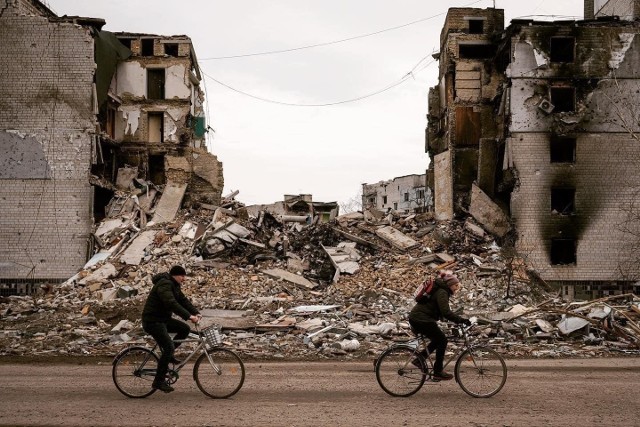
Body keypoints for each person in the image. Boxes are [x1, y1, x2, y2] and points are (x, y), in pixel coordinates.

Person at [142, 265, 201, 393]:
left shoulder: (174, 285)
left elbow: (183, 301)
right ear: (175, 275)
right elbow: (171, 303)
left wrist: (195, 312)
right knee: (168, 346)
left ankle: (169, 355)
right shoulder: (165, 284)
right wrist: (189, 316)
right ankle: (158, 381)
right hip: (153, 321)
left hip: (162, 319)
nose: (184, 279)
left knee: (184, 329)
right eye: (182, 276)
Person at [408, 271, 471, 380]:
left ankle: (420, 359)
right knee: (442, 340)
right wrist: (461, 320)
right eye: (456, 285)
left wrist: (454, 320)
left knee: (438, 340)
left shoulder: (440, 290)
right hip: (421, 319)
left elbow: (440, 311)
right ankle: (437, 371)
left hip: (419, 318)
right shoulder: (442, 292)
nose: (457, 288)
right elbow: (446, 312)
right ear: (450, 285)